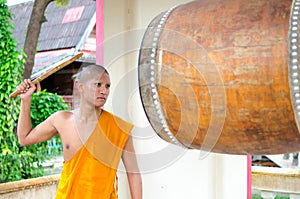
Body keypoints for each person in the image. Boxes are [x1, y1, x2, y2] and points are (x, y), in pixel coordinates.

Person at [16, 64, 142, 199]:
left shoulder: (119, 128)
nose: (103, 91)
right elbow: (24, 138)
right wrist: (25, 100)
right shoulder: (62, 120)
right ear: (80, 87)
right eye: (98, 84)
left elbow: (133, 173)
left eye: (107, 86)